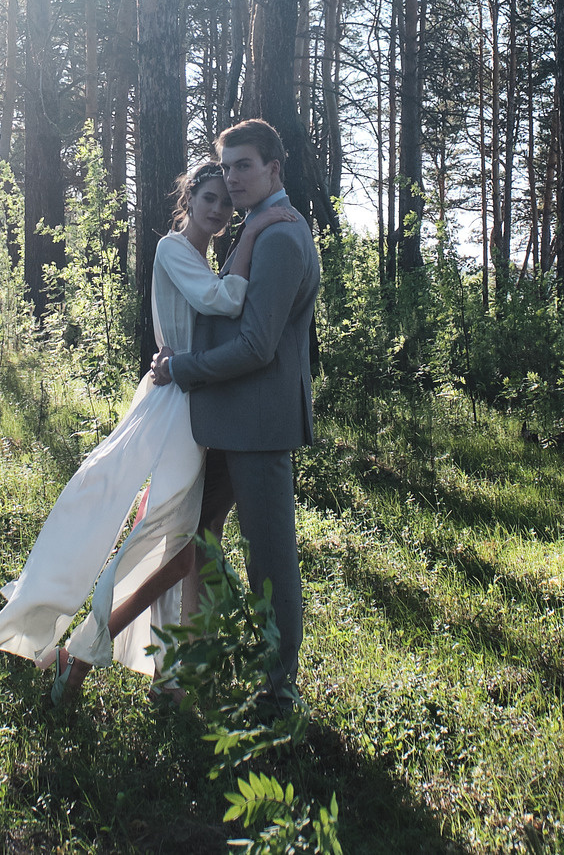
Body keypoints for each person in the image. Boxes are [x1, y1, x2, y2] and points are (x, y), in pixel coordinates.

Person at [0, 159, 301, 689]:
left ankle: (164, 668)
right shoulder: (172, 249)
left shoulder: (202, 257)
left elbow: (219, 314)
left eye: (227, 202)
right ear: (189, 198)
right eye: (210, 199)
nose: (220, 209)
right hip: (177, 405)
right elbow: (223, 300)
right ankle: (86, 652)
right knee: (167, 537)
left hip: (199, 403)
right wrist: (254, 232)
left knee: (182, 541)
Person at [149, 118, 320, 711]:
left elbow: (255, 346)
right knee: (195, 541)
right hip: (225, 421)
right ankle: (187, 664)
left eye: (244, 165)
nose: (233, 178)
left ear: (274, 168)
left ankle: (278, 689)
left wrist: (182, 367)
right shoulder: (256, 230)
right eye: (225, 168)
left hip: (259, 425)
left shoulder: (280, 236)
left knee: (269, 558)